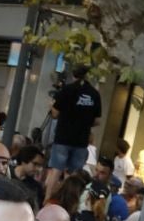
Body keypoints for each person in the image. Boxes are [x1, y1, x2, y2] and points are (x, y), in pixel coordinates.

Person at [43, 68, 102, 200]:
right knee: (74, 174)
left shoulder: (66, 90)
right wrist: (84, 123)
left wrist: (51, 107)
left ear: (74, 75)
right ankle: (67, 202)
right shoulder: (94, 94)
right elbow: (97, 121)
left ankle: (47, 200)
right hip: (81, 141)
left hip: (63, 138)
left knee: (56, 170)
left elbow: (55, 114)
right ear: (88, 76)